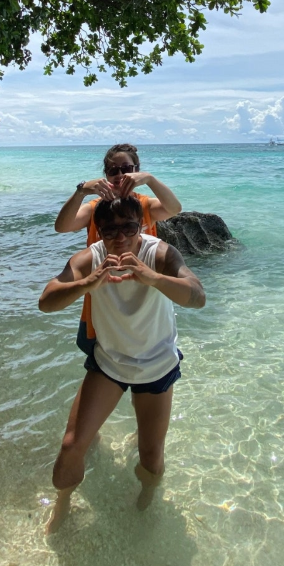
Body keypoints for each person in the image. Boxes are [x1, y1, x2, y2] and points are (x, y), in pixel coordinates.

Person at [39, 196, 205, 533]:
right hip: (109, 364)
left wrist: (152, 277)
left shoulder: (159, 253)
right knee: (71, 446)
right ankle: (64, 501)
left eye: (129, 227)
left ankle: (147, 496)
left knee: (150, 456)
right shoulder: (89, 259)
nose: (120, 237)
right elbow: (46, 302)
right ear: (98, 232)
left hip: (156, 367)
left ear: (141, 226)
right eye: (110, 230)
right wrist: (87, 283)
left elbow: (197, 296)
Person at [54, 144, 183, 355]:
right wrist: (81, 191)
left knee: (147, 357)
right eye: (113, 170)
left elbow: (174, 209)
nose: (120, 175)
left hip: (143, 298)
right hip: (103, 296)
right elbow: (62, 226)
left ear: (136, 170)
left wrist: (149, 179)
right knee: (100, 358)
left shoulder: (144, 205)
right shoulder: (96, 207)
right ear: (105, 175)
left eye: (127, 169)